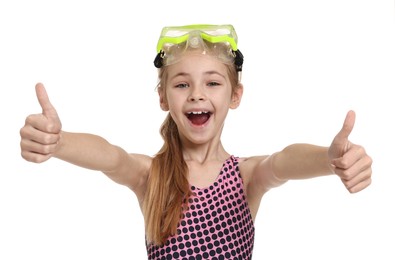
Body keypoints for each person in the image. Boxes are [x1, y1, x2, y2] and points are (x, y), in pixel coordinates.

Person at [20, 24, 373, 260]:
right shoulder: (152, 175)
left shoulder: (246, 176)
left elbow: (283, 162)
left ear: (235, 96)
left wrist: (329, 159)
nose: (197, 95)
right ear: (164, 98)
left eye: (213, 83)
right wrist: (59, 143)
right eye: (182, 84)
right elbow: (112, 157)